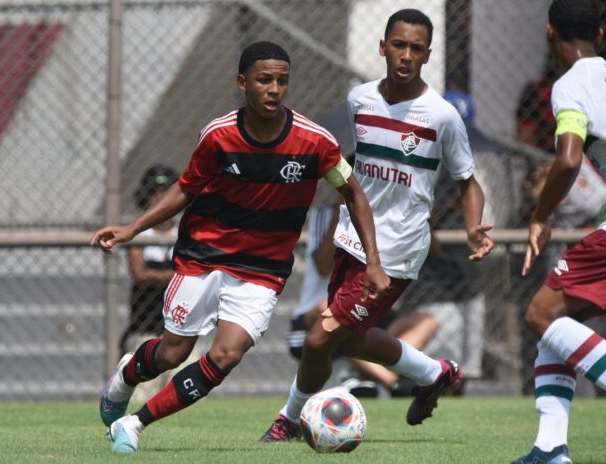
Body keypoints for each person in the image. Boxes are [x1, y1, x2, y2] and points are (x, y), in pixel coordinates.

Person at [90, 40, 389, 454]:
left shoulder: (315, 142)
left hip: (262, 271)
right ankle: (126, 376)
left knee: (226, 355)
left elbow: (354, 193)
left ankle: (135, 425)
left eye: (282, 81)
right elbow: (185, 189)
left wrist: (373, 261)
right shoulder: (218, 136)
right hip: (203, 258)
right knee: (172, 353)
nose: (274, 89)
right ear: (242, 83)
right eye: (264, 80)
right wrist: (132, 229)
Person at [260, 8, 494, 442]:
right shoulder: (359, 100)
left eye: (416, 48)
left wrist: (473, 227)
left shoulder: (441, 116)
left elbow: (467, 181)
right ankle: (435, 372)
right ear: (383, 47)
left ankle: (287, 420)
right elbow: (352, 166)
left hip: (397, 251)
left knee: (318, 340)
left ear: (427, 55)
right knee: (347, 341)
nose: (406, 55)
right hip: (352, 236)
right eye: (399, 45)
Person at [514, 1, 606, 463]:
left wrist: (541, 215)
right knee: (555, 315)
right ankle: (550, 449)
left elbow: (569, 159)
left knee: (541, 316)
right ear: (602, 34)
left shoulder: (572, 84)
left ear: (549, 33)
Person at [287, 199, 439, 397]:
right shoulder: (326, 211)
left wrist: (418, 221)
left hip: (368, 306)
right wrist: (348, 207)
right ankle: (393, 383)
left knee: (427, 322)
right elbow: (323, 265)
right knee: (330, 313)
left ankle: (372, 377)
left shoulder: (394, 208)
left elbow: (435, 248)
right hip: (317, 315)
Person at [120, 165, 178, 358]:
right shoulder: (139, 234)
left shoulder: (184, 233)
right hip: (145, 325)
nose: (160, 199)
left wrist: (159, 276)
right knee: (143, 385)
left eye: (166, 192)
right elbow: (141, 274)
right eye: (154, 192)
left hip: (178, 327)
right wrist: (177, 275)